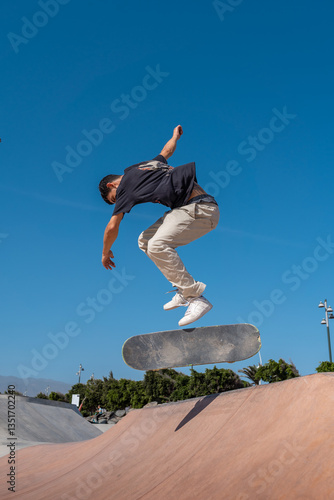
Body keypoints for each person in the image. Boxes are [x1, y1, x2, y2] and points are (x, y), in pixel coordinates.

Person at [99, 125, 220, 326]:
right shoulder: (142, 167)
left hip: (200, 210)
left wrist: (105, 252)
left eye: (114, 198)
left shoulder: (125, 187)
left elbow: (112, 226)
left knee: (157, 245)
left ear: (112, 185)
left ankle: (195, 297)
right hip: (191, 209)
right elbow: (166, 152)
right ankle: (183, 289)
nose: (118, 200)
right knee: (145, 240)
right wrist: (175, 137)